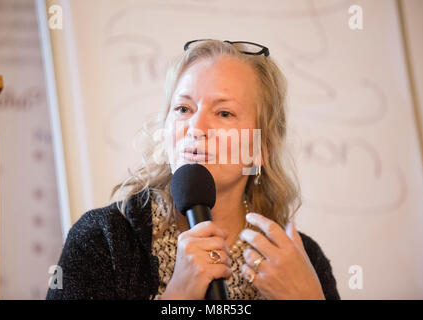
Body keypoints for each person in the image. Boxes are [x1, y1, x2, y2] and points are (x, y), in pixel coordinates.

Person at [46, 39, 340, 300]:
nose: (195, 128)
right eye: (183, 109)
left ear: (260, 148)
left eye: (224, 113)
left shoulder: (302, 260)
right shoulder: (103, 239)